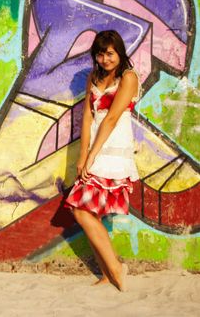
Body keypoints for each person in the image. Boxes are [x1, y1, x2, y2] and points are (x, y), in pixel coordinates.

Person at [64, 30, 140, 292]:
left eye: (110, 53)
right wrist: (82, 155)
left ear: (119, 52)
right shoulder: (93, 77)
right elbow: (87, 116)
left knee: (80, 209)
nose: (105, 59)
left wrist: (92, 155)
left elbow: (110, 119)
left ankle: (117, 268)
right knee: (88, 211)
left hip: (112, 150)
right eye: (100, 53)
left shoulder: (128, 78)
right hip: (94, 151)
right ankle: (109, 273)